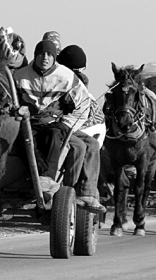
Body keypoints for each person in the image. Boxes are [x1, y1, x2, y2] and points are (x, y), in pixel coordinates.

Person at [13, 40, 104, 211]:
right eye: (41, 54)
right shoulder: (20, 75)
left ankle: (71, 190)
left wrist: (66, 125)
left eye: (49, 55)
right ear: (35, 55)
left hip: (55, 124)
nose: (45, 58)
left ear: (55, 57)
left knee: (62, 138)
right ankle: (40, 177)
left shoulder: (67, 77)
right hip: (26, 123)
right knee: (22, 139)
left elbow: (84, 104)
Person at [56, 44, 106, 213]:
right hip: (56, 125)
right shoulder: (57, 78)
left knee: (91, 144)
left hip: (70, 125)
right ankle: (68, 192)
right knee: (79, 146)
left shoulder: (77, 82)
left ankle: (86, 193)